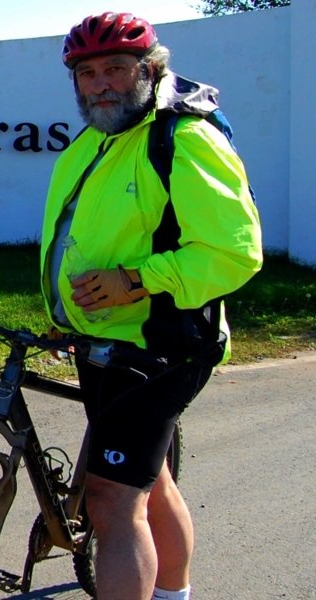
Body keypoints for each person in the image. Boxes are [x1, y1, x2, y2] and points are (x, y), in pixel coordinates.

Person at [42, 13, 262, 600]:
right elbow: (77, 241)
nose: (101, 84)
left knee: (112, 501)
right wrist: (67, 315)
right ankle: (174, 595)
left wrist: (137, 281)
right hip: (105, 344)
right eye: (87, 73)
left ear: (150, 69)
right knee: (150, 479)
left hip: (161, 346)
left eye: (115, 68)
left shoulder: (184, 139)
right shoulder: (94, 143)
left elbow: (233, 253)